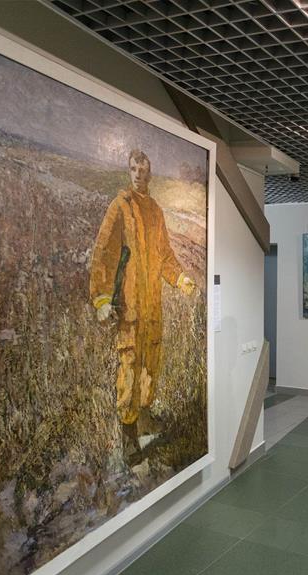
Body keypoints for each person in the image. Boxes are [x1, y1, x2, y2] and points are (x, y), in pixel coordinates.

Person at [90, 149, 196, 464]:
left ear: (149, 174)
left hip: (152, 308)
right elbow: (104, 253)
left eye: (143, 170)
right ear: (129, 172)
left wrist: (180, 279)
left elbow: (164, 255)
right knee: (130, 366)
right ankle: (128, 434)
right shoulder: (120, 207)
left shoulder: (155, 211)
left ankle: (145, 417)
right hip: (129, 307)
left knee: (151, 364)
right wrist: (101, 299)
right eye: (134, 169)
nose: (138, 174)